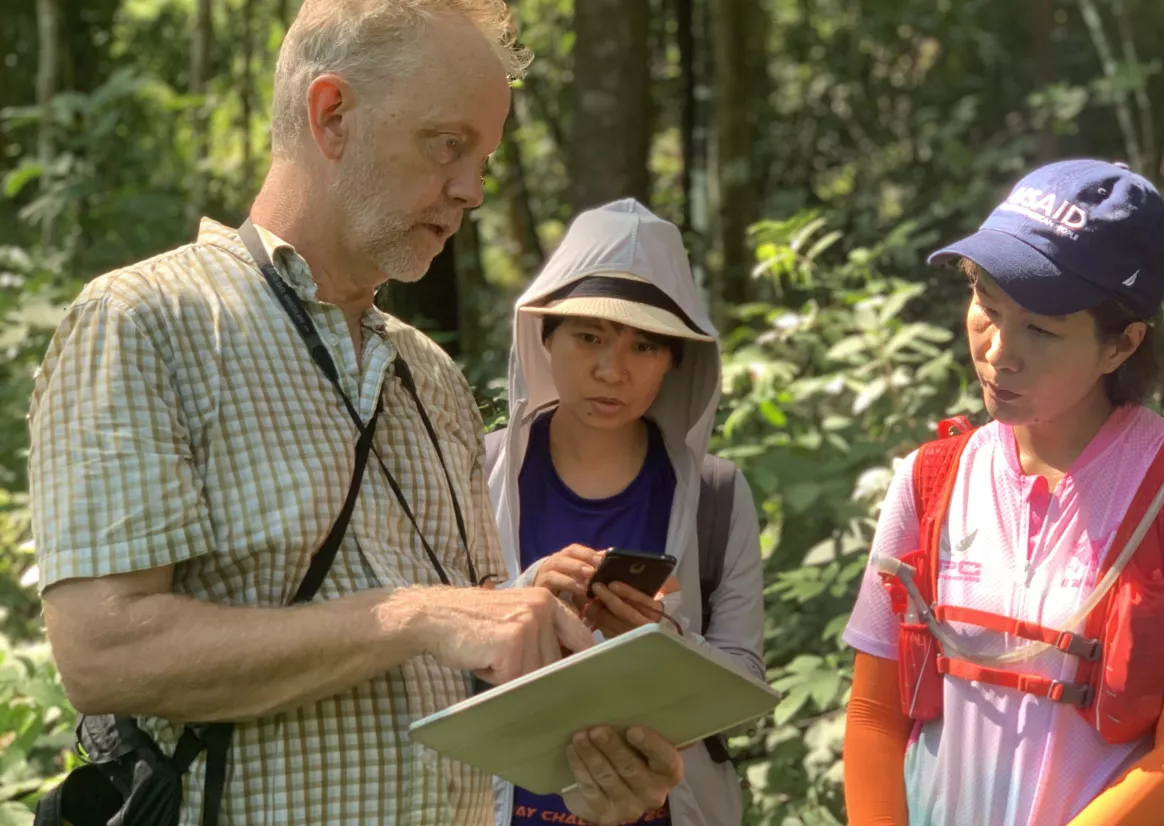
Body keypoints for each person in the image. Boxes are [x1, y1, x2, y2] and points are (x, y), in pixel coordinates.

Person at [27, 3, 683, 825]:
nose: (472, 190)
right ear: (331, 114)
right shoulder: (147, 321)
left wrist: (593, 767)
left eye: (484, 157)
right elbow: (102, 656)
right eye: (448, 144)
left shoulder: (432, 376)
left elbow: (460, 679)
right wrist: (418, 616)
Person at [840, 159, 1164, 826]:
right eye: (986, 303)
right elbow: (874, 714)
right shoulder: (929, 480)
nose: (998, 351)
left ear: (1121, 345)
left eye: (1041, 329)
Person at [483, 199, 765, 826]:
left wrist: (666, 644)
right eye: (589, 336)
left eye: (643, 345)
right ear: (545, 334)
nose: (612, 371)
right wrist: (521, 600)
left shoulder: (716, 495)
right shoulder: (477, 475)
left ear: (674, 362)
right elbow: (422, 652)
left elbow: (745, 683)